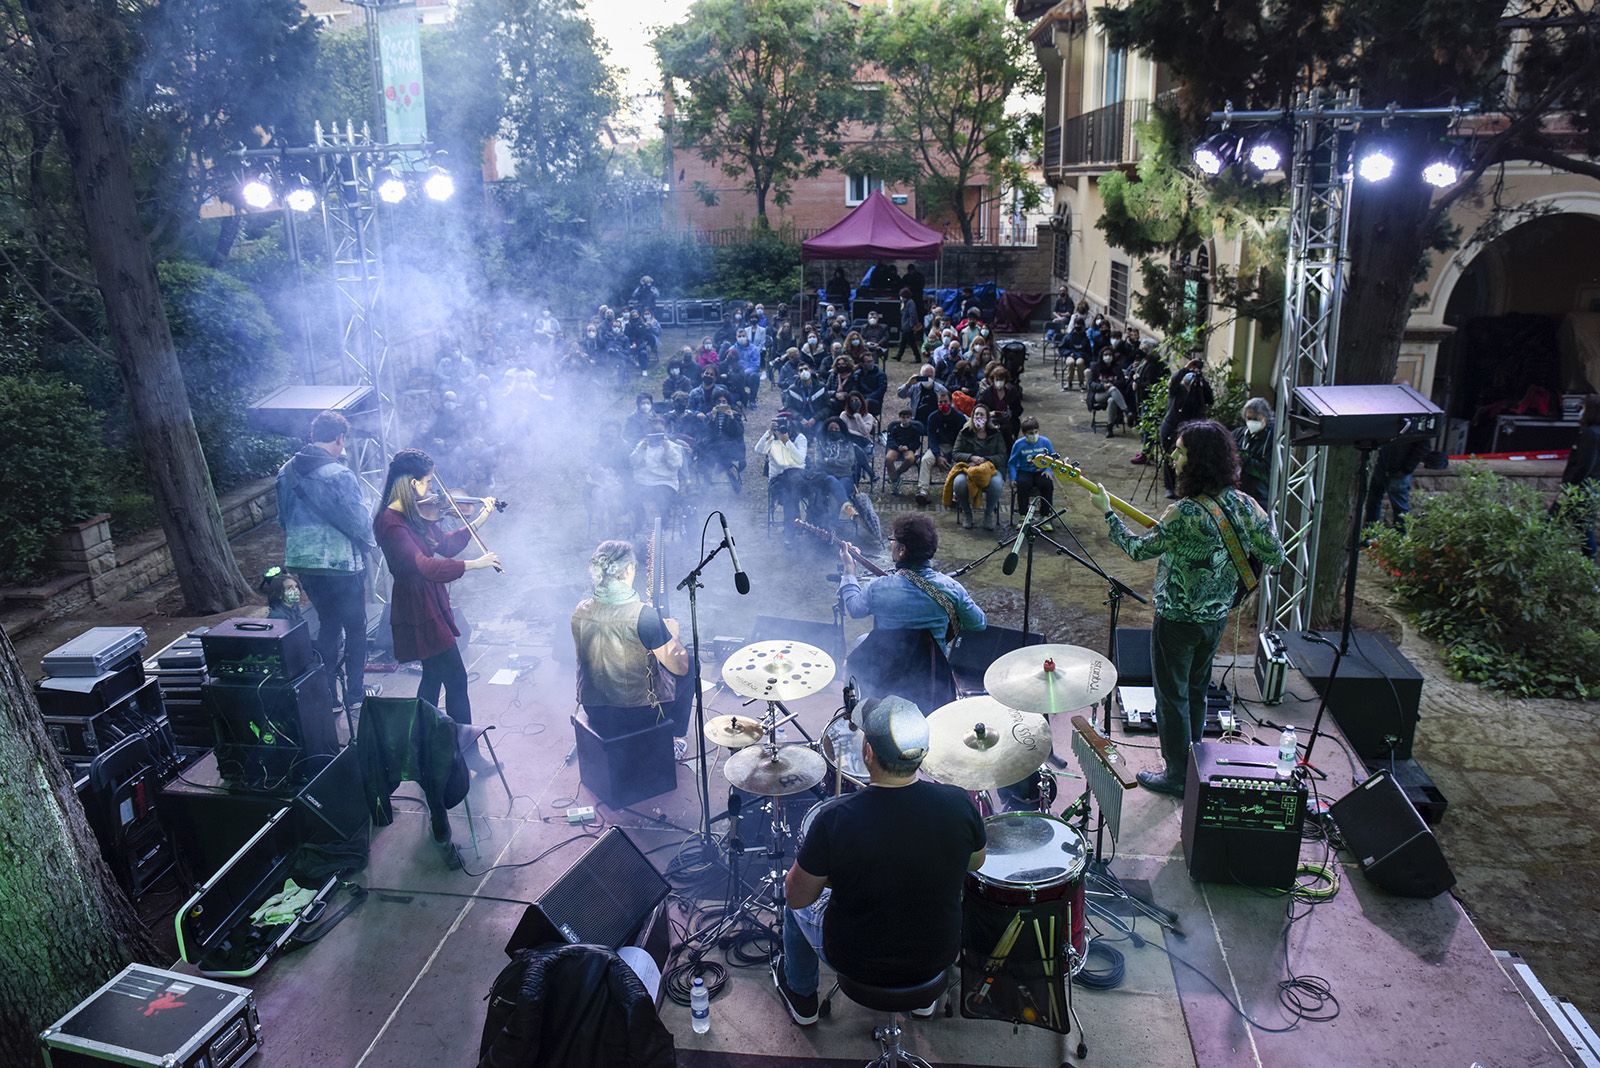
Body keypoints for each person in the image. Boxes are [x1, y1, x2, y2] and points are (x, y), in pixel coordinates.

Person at [1090, 421, 1284, 796]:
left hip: (1176, 619)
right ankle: (1195, 761)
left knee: (1171, 696)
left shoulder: (1183, 513)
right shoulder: (1246, 505)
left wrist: (1107, 512)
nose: (1172, 457)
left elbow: (1135, 550)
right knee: (1196, 690)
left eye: (1179, 451)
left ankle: (1176, 773)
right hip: (1216, 619)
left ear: (1197, 461)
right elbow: (1275, 553)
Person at [772, 693, 987, 1026]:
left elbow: (797, 896)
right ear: (922, 753)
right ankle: (923, 1000)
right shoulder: (958, 804)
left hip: (856, 961)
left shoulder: (834, 819)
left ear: (868, 751)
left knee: (791, 904)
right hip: (937, 954)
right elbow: (975, 863)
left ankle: (802, 999)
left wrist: (834, 876)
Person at [373, 449, 500, 737]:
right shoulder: (390, 522)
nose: (432, 490)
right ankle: (466, 747)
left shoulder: (413, 514)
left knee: (432, 677)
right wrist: (475, 565)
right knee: (456, 678)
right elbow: (424, 566)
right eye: (428, 483)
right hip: (417, 605)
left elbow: (446, 546)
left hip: (429, 597)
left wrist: (478, 520)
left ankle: (419, 742)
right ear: (411, 483)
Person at [276, 410, 377, 716]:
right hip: (341, 563)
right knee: (356, 627)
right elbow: (358, 521)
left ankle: (330, 697)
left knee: (328, 625)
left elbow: (283, 519)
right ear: (340, 438)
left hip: (304, 563)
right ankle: (356, 694)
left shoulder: (285, 472)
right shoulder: (340, 474)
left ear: (312, 435)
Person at [570, 540, 691, 745]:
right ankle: (672, 738)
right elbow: (680, 668)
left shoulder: (581, 610)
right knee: (691, 662)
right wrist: (674, 635)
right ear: (627, 571)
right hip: (638, 714)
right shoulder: (644, 616)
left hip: (594, 708)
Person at [1161, 357, 1215, 494]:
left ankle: (1187, 486)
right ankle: (1170, 487)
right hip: (1172, 427)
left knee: (1190, 459)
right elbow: (1173, 382)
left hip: (1191, 430)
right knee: (1171, 456)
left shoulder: (1199, 392)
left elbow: (1210, 399)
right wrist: (1186, 368)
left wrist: (1201, 379)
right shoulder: (1176, 390)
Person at [950, 404, 1008, 530]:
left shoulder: (995, 433)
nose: (978, 417)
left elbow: (1003, 455)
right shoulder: (964, 433)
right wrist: (971, 457)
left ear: (987, 417)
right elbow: (955, 453)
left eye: (981, 414)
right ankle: (967, 513)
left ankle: (988, 515)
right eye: (976, 414)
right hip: (968, 468)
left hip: (991, 469)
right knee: (959, 483)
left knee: (996, 483)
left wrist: (986, 461)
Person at [1559, 394, 1600, 557]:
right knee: (1583, 527)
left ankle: (1590, 562)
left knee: (1554, 522)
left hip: (1579, 489)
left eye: (1582, 408)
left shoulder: (1590, 434)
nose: (1580, 412)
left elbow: (1585, 464)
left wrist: (1569, 487)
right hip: (1588, 488)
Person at [755, 413, 809, 534]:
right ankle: (793, 529)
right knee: (788, 492)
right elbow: (758, 449)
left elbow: (800, 459)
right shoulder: (772, 439)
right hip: (778, 481)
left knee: (801, 488)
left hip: (798, 479)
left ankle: (805, 529)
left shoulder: (800, 438)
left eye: (786, 424)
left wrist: (787, 441)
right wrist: (769, 432)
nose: (783, 428)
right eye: (780, 425)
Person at [1364, 437, 1429, 531]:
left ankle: (1399, 538)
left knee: (1399, 507)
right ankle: (1371, 536)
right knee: (1373, 504)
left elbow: (1423, 446)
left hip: (1397, 470)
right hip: (1382, 467)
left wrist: (1406, 469)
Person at [630, 420, 687, 528]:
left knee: (662, 498)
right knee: (633, 497)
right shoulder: (642, 445)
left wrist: (668, 449)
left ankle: (662, 529)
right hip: (644, 481)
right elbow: (633, 462)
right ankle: (639, 526)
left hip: (665, 482)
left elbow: (676, 464)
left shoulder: (673, 446)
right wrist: (641, 449)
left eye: (659, 433)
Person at [918, 393, 968, 507]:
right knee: (925, 460)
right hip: (937, 447)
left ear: (950, 402)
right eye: (940, 402)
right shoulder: (933, 417)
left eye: (945, 401)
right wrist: (938, 455)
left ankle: (956, 493)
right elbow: (931, 438)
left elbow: (961, 439)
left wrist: (949, 455)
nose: (943, 404)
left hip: (955, 447)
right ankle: (923, 491)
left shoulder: (959, 418)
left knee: (959, 464)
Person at [1008, 416, 1056, 531]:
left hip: (1041, 471)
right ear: (1024, 433)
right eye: (1030, 433)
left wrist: (1048, 470)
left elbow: (1054, 459)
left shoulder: (1045, 442)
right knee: (1022, 485)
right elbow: (1012, 463)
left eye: (1036, 432)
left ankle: (1045, 516)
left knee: (1047, 484)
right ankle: (1023, 516)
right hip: (1025, 471)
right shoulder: (1019, 444)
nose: (1034, 435)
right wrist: (1013, 477)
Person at [1233, 397, 1276, 510]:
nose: (1252, 422)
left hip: (1260, 499)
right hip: (1237, 494)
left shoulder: (1273, 439)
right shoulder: (1240, 434)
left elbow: (1267, 472)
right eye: (1249, 418)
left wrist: (1242, 458)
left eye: (1256, 419)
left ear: (1265, 418)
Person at [884, 407, 927, 495]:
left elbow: (917, 442)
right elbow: (890, 440)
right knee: (888, 458)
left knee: (910, 459)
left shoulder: (914, 429)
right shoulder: (895, 428)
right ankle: (895, 481)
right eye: (903, 417)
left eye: (907, 417)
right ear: (900, 418)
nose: (905, 419)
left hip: (908, 448)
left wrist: (908, 447)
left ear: (910, 418)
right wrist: (898, 447)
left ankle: (896, 474)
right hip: (896, 448)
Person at [895, 287, 921, 362]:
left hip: (908, 326)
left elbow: (913, 314)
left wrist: (911, 325)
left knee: (912, 343)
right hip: (906, 326)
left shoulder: (910, 303)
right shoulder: (906, 303)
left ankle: (917, 357)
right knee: (903, 342)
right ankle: (899, 356)